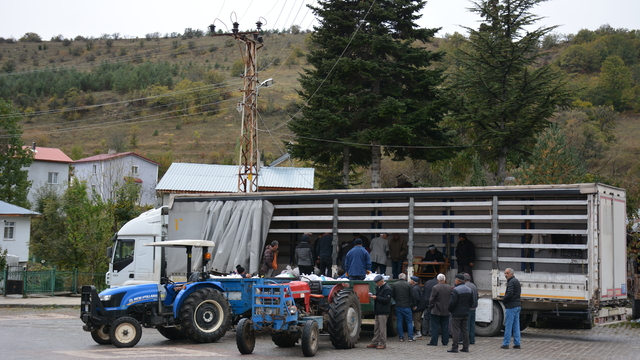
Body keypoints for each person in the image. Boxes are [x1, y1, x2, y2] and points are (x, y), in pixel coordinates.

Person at [447, 274, 473, 353]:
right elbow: (471, 302)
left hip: (456, 313)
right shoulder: (469, 289)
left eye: (455, 280)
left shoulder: (455, 290)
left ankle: (455, 347)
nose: (455, 281)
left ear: (458, 281)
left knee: (455, 330)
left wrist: (450, 309)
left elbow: (452, 302)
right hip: (465, 313)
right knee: (465, 330)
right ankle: (466, 347)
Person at [367, 275, 392, 350]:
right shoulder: (379, 287)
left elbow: (387, 300)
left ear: (382, 281)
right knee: (377, 328)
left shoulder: (387, 288)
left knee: (382, 328)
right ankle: (375, 342)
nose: (376, 284)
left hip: (383, 311)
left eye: (377, 282)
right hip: (378, 310)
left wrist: (376, 297)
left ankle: (382, 343)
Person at [501, 268, 522, 349]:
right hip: (517, 305)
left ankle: (506, 343)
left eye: (507, 273)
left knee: (508, 326)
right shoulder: (516, 281)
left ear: (511, 274)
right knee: (516, 326)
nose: (505, 275)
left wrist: (504, 300)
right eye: (505, 273)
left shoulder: (511, 282)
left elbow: (509, 294)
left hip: (511, 306)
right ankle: (517, 343)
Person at [428, 273, 450, 346]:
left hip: (436, 310)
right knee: (445, 327)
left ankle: (434, 341)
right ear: (444, 279)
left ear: (437, 280)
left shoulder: (435, 287)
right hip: (446, 310)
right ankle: (445, 341)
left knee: (435, 326)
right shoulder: (449, 287)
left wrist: (431, 307)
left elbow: (431, 299)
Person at [392, 273, 415, 342]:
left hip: (398, 305)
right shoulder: (408, 285)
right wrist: (413, 304)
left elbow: (393, 295)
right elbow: (412, 295)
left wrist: (397, 300)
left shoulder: (395, 285)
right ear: (405, 278)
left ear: (399, 278)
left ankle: (401, 337)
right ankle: (410, 337)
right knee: (409, 322)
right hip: (407, 306)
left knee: (399, 322)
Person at [463, 273, 478, 344]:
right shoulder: (474, 286)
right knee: (472, 325)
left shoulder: (465, 286)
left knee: (466, 325)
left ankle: (466, 340)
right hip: (474, 308)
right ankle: (472, 339)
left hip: (468, 308)